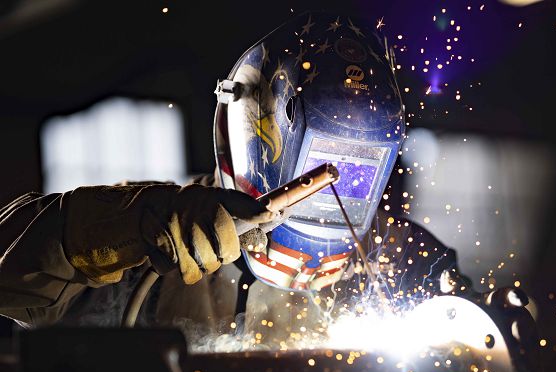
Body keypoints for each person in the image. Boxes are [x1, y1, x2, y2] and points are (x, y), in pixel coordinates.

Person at [0, 11, 463, 348]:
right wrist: (142, 228)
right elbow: (13, 280)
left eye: (359, 170)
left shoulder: (403, 264)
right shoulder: (144, 243)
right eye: (318, 168)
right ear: (245, 138)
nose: (333, 191)